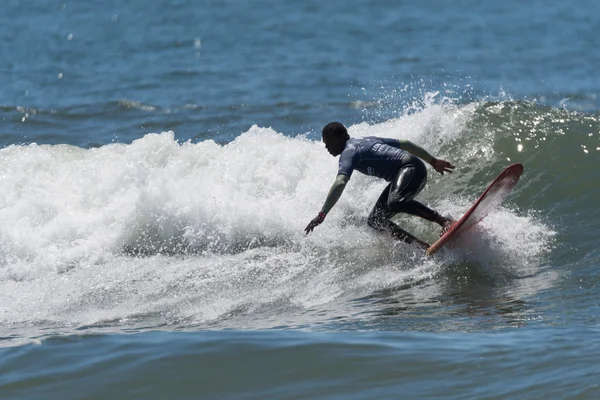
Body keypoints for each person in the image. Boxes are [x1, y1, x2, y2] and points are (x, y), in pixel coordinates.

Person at [304, 121, 455, 250]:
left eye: (328, 142)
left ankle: (444, 221)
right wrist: (433, 162)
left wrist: (322, 214)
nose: (326, 147)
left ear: (340, 137)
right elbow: (406, 144)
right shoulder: (366, 140)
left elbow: (340, 182)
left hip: (410, 168)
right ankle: (422, 247)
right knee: (375, 220)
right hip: (410, 169)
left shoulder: (348, 152)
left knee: (395, 202)